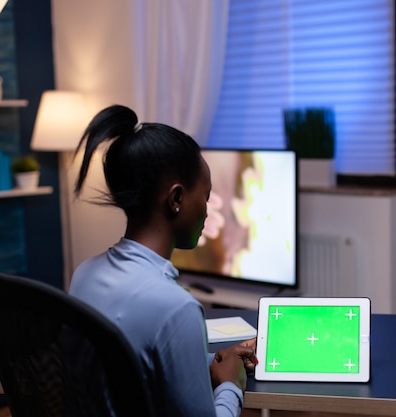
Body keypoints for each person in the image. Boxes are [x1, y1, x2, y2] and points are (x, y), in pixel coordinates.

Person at [68, 104, 257, 417]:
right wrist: (231, 385)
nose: (208, 210)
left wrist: (209, 360)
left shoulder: (84, 274)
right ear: (177, 199)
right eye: (206, 196)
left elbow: (131, 359)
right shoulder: (177, 308)